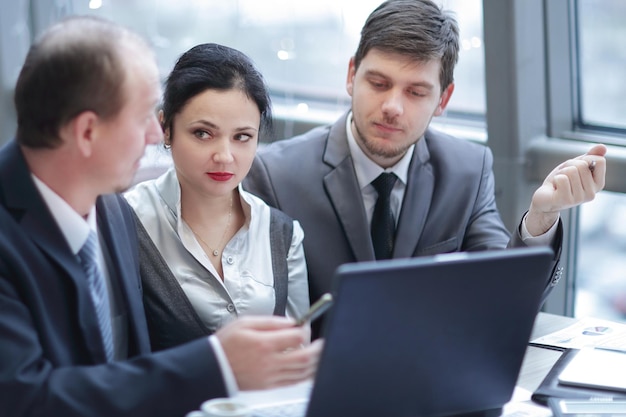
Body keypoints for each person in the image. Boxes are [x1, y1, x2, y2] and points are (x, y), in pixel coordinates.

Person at [0, 16, 320, 417]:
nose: (156, 134)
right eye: (143, 117)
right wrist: (218, 363)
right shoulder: (128, 213)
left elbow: (116, 363)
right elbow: (25, 400)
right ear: (86, 133)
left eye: (243, 136)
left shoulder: (109, 209)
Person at [243, 0, 607, 338]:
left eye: (416, 92)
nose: (392, 107)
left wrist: (542, 217)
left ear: (443, 99)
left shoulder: (467, 169)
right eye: (378, 83)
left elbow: (504, 295)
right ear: (352, 74)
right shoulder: (275, 174)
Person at [124, 43, 310, 351]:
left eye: (242, 137)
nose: (224, 156)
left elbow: (295, 353)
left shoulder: (282, 235)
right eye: (203, 133)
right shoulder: (126, 222)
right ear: (165, 129)